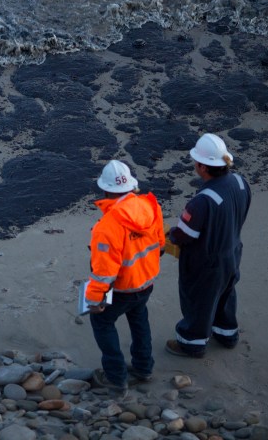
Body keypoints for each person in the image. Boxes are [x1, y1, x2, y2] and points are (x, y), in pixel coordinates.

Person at [165, 133, 252, 358]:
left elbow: (184, 235)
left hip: (206, 263)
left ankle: (191, 343)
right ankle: (227, 334)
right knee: (226, 294)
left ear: (203, 167)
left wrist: (167, 236)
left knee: (199, 302)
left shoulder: (202, 202)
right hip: (233, 253)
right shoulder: (241, 183)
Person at [85, 160, 166, 393]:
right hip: (146, 282)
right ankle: (143, 368)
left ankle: (116, 378)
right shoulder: (151, 206)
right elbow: (160, 244)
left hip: (121, 288)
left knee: (102, 322)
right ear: (131, 186)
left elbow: (104, 272)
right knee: (139, 320)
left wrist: (94, 299)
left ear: (106, 190)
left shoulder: (107, 226)